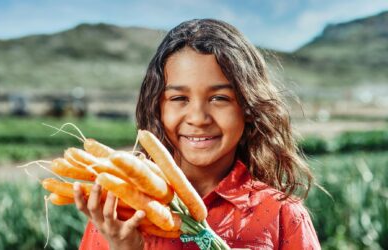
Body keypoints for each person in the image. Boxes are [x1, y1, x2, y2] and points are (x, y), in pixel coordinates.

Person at [74, 19, 321, 250]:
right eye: (179, 98)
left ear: (247, 108)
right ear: (158, 108)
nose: (198, 118)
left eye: (219, 98)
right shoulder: (116, 212)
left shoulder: (281, 214)